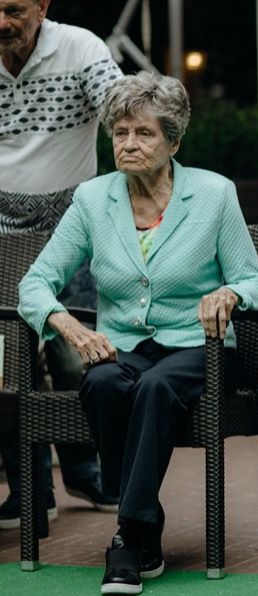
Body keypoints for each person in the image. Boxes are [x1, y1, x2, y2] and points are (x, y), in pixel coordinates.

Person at [18, 72, 258, 596]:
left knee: (155, 388)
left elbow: (254, 281)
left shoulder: (214, 194)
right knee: (104, 383)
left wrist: (228, 295)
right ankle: (144, 517)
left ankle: (129, 539)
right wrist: (68, 326)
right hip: (123, 345)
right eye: (120, 132)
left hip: (197, 347)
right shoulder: (92, 199)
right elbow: (35, 283)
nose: (128, 144)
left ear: (174, 141)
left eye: (144, 134)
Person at [0, 0, 123, 527]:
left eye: (13, 9)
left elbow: (123, 109)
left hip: (71, 229)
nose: (2, 23)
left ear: (43, 6)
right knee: (8, 368)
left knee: (76, 359)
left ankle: (84, 470)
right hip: (1, 234)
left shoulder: (81, 48)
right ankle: (30, 490)